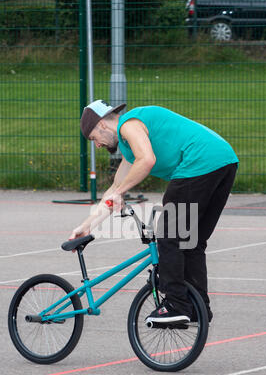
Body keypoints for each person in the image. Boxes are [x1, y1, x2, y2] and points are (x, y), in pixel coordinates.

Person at [70, 99, 239, 325]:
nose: (97, 145)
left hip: (198, 163)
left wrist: (120, 192)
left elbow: (147, 160)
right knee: (191, 241)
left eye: (93, 138)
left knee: (169, 236)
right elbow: (113, 191)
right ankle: (198, 307)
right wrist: (87, 225)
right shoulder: (131, 149)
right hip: (224, 162)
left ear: (101, 124)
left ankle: (176, 305)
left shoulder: (128, 124)